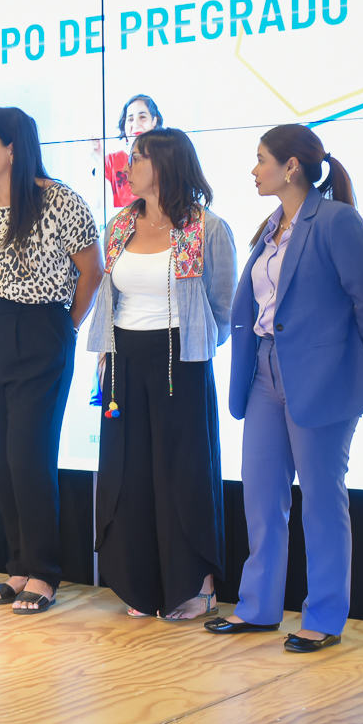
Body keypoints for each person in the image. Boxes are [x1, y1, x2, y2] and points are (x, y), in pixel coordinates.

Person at [204, 126, 363, 651]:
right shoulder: (270, 226)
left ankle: (324, 617)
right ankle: (258, 608)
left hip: (323, 377)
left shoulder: (336, 220)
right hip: (264, 371)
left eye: (261, 159)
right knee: (262, 495)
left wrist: (358, 366)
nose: (254, 169)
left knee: (322, 500)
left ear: (291, 167)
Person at [0, 107, 102, 614]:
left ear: (13, 148)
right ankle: (17, 566)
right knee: (0, 456)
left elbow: (91, 271)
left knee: (28, 456)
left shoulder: (59, 200)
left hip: (42, 328)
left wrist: (67, 325)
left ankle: (44, 571)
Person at [88, 127, 235, 621]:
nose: (128, 165)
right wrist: (105, 357)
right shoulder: (119, 225)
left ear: (166, 165)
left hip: (181, 362)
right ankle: (142, 585)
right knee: (128, 473)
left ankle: (199, 587)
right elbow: (109, 295)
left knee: (183, 474)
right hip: (123, 359)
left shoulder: (205, 228)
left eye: (138, 158)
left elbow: (223, 308)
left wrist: (194, 346)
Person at [92, 94, 164, 211]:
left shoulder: (166, 159)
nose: (135, 124)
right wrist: (100, 162)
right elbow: (102, 212)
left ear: (154, 121)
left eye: (142, 117)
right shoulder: (109, 161)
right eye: (130, 119)